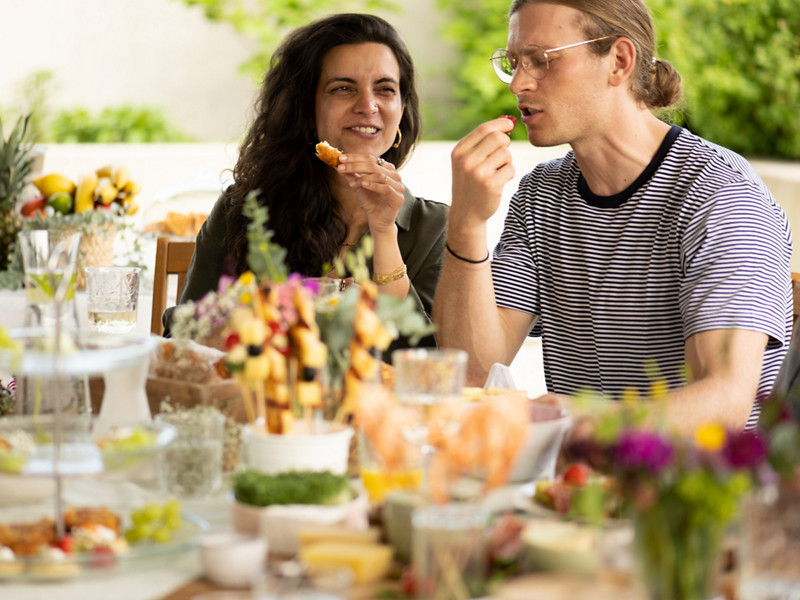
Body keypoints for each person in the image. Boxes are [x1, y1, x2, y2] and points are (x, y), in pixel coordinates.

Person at [432, 0, 793, 433]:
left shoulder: (721, 197)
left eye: (541, 60)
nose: (519, 83)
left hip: (698, 493)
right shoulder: (540, 195)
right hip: (578, 488)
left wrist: (583, 423)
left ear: (619, 61)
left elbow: (725, 402)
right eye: (513, 63)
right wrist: (467, 222)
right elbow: (473, 376)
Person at [163, 13, 448, 354]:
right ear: (307, 107)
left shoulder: (435, 228)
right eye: (343, 88)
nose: (368, 106)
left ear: (401, 109)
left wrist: (384, 229)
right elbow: (181, 336)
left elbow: (431, 364)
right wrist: (268, 310)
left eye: (385, 90)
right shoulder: (244, 210)